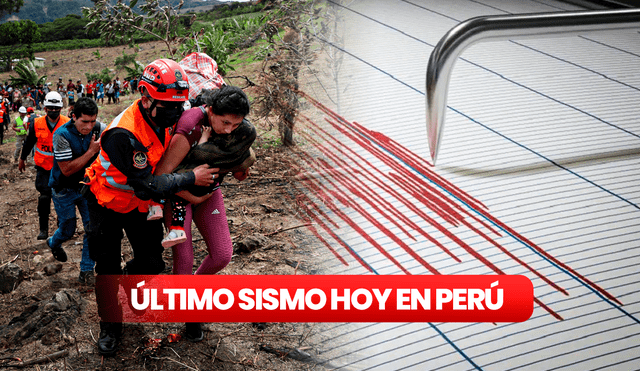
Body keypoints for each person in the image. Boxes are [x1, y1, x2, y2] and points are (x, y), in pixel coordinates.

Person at [83, 59, 217, 356]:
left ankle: (130, 282)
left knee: (152, 263)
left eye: (178, 106)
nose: (175, 113)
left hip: (139, 204)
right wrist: (191, 178)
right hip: (106, 201)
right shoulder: (123, 134)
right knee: (106, 267)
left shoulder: (170, 115)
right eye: (167, 107)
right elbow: (146, 183)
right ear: (145, 97)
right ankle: (110, 325)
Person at [153, 85, 255, 341]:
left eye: (236, 124)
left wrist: (240, 168)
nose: (230, 129)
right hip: (178, 195)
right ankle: (190, 315)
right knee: (184, 260)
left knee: (222, 255)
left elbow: (230, 160)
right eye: (225, 122)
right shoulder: (190, 127)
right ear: (210, 111)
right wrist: (190, 194)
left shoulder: (238, 131)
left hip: (209, 192)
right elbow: (160, 176)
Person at [47, 98, 102, 282]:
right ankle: (53, 242)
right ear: (73, 116)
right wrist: (91, 152)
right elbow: (67, 169)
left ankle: (86, 270)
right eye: (84, 121)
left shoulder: (98, 128)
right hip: (64, 188)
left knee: (91, 229)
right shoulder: (61, 135)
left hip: (86, 187)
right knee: (68, 229)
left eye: (92, 121)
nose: (89, 126)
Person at [19, 92, 70, 240]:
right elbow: (29, 142)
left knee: (62, 198)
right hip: (43, 168)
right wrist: (22, 158)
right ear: (45, 108)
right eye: (50, 108)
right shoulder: (37, 123)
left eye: (56, 108)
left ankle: (62, 227)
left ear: (60, 108)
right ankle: (43, 229)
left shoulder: (67, 123)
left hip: (62, 168)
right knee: (44, 197)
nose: (53, 111)